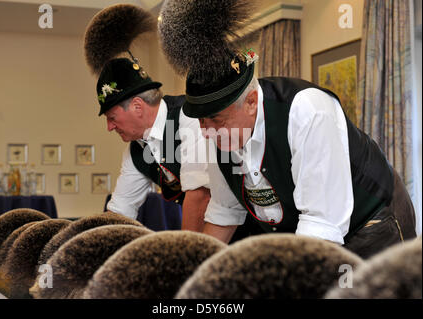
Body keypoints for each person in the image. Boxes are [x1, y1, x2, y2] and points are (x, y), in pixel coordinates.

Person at [157, 0, 416, 257]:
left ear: (251, 102)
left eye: (217, 120)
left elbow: (321, 226)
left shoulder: (307, 111)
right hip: (311, 231)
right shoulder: (217, 137)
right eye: (201, 122)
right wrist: (194, 271)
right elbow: (225, 211)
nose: (206, 132)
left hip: (371, 219)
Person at [84, 4, 210, 232]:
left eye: (112, 117)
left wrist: (187, 256)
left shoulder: (189, 117)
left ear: (137, 106)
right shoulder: (136, 152)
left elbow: (200, 195)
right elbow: (119, 213)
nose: (109, 127)